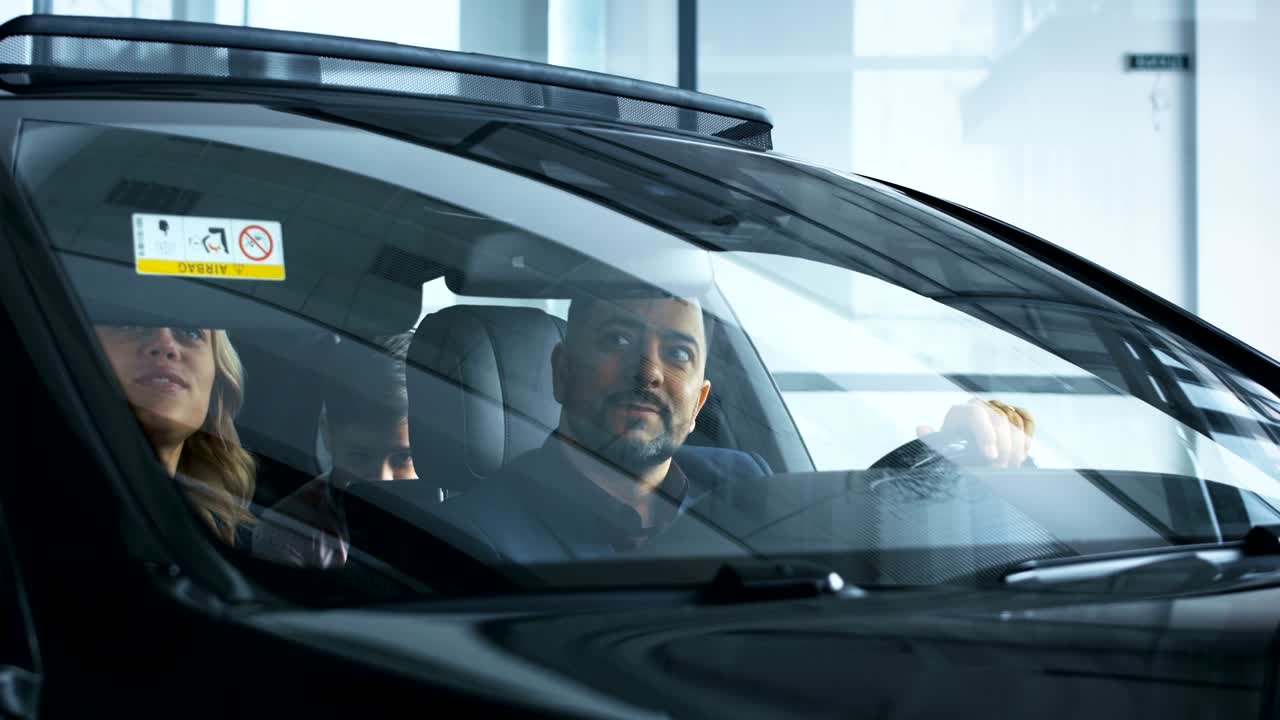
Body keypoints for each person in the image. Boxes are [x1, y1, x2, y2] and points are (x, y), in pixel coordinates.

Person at [438, 293, 1035, 563]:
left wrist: (970, 454)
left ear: (699, 400)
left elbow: (862, 537)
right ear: (562, 373)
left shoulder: (743, 483)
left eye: (677, 353)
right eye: (618, 340)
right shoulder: (472, 542)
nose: (648, 372)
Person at [251, 332, 416, 569]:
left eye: (403, 458)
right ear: (328, 434)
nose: (381, 479)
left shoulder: (454, 518)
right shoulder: (290, 533)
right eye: (359, 457)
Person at [93, 324, 256, 546]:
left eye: (189, 332)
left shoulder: (236, 543)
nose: (166, 345)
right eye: (132, 325)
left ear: (215, 386)